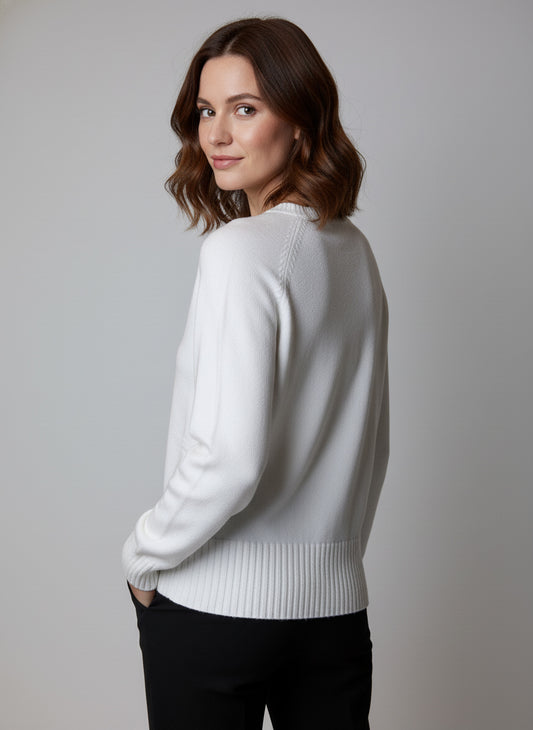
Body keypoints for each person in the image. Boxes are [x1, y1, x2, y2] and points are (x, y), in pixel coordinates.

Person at [122, 16, 389, 730]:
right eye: (205, 111)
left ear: (300, 121)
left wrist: (143, 555)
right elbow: (373, 443)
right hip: (333, 614)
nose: (216, 134)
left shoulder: (239, 251)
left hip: (214, 612)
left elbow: (228, 457)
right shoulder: (353, 251)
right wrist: (330, 567)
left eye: (245, 109)